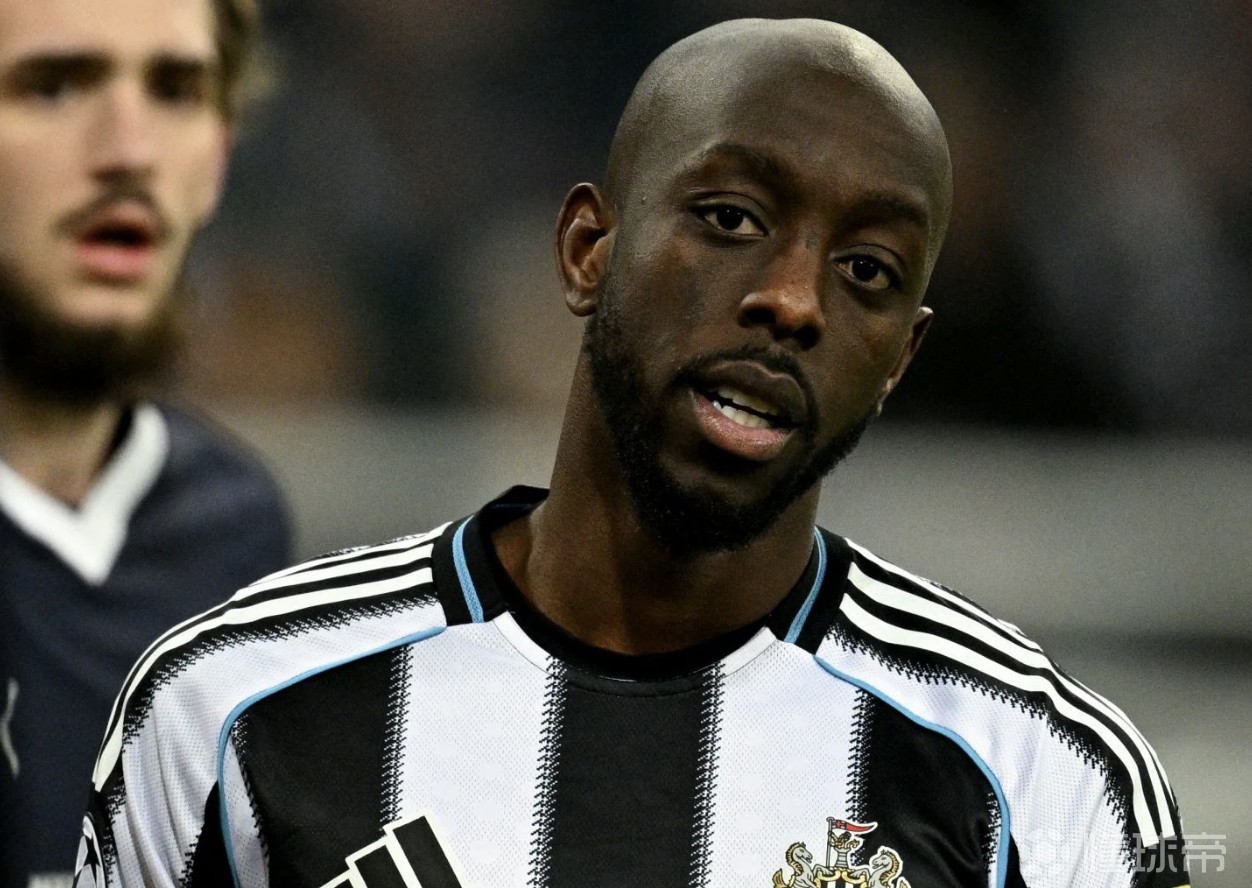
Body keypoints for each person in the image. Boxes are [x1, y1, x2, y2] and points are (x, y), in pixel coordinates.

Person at [75, 18, 1188, 888]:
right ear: (586, 251)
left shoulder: (1042, 777)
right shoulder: (231, 707)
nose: (793, 300)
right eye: (731, 219)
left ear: (900, 357)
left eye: (867, 272)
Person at [0, 0, 291, 884]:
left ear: (219, 157)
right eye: (53, 86)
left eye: (176, 89)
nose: (129, 151)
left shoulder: (239, 540)